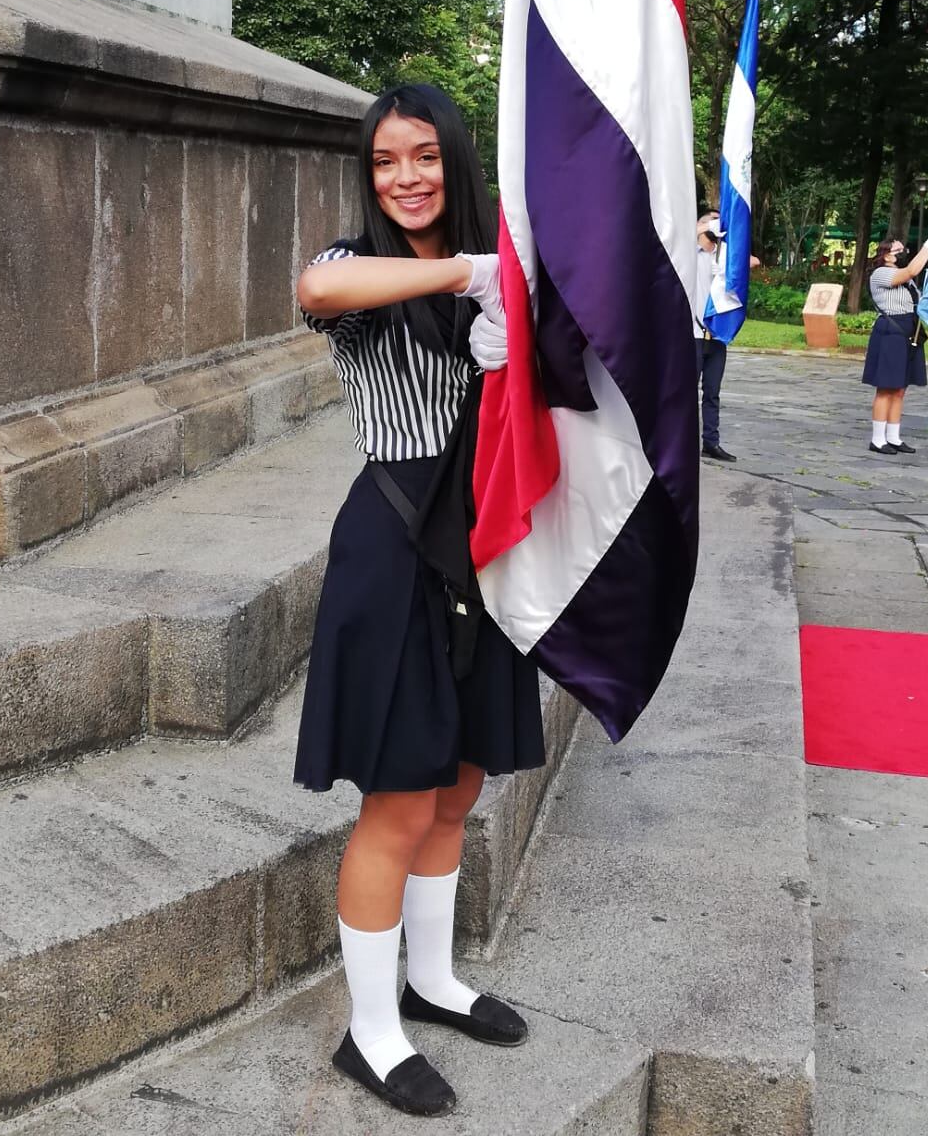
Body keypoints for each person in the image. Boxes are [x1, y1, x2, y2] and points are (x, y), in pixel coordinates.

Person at [295, 84, 545, 1118]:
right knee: (398, 799)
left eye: (427, 156)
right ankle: (370, 1030)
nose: (406, 176)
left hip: (483, 549)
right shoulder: (363, 266)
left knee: (459, 783)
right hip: (395, 549)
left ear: (458, 161)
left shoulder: (507, 280)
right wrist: (472, 276)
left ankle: (433, 980)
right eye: (388, 159)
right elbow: (316, 287)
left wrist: (517, 309)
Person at [862, 233, 928, 454]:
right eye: (898, 251)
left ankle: (894, 437)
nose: (903, 253)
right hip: (891, 331)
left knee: (899, 388)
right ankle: (877, 439)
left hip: (909, 331)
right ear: (886, 255)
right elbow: (911, 270)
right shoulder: (880, 274)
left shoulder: (905, 279)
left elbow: (916, 290)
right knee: (886, 387)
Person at [693, 212, 751, 462]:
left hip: (716, 336)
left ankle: (711, 442)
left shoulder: (725, 258)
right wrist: (697, 231)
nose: (718, 223)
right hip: (692, 334)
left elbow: (752, 261)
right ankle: (680, 443)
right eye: (712, 219)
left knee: (713, 392)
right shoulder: (688, 254)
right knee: (685, 394)